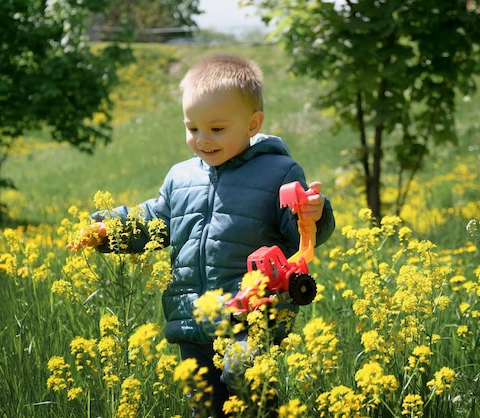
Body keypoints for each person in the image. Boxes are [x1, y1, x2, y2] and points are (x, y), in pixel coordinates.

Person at [90, 53, 335, 416]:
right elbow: (155, 221)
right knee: (204, 406)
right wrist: (109, 230)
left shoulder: (279, 171)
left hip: (252, 314)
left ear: (253, 124)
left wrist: (315, 212)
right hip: (193, 320)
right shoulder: (181, 177)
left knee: (244, 377)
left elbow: (299, 232)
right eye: (192, 128)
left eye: (217, 129)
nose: (202, 140)